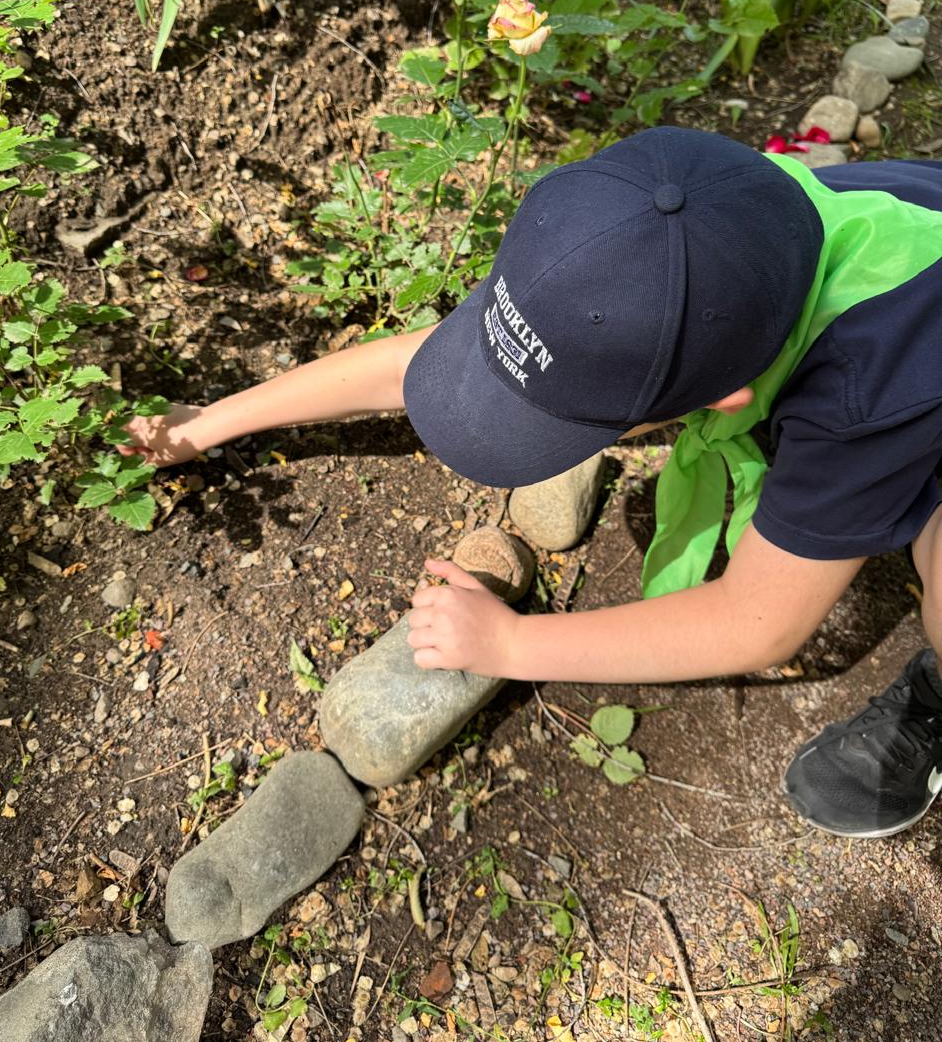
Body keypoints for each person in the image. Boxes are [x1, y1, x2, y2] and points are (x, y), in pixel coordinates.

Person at [120, 127, 942, 840]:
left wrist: (511, 646)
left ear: (726, 396)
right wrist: (207, 425)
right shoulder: (692, 224)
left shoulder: (863, 397)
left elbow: (757, 622)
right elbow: (419, 359)